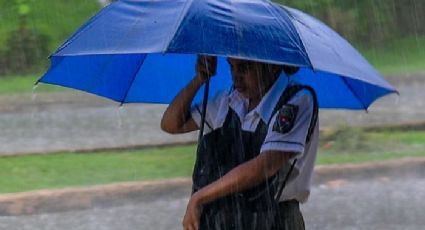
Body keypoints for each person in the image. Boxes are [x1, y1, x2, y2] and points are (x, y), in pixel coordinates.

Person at [161, 55, 319, 230]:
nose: (236, 76)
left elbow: (265, 166)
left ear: (272, 66)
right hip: (221, 220)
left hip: (272, 220)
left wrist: (200, 197)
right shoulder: (228, 101)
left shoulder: (296, 101)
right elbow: (172, 124)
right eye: (231, 67)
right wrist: (200, 79)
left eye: (245, 67)